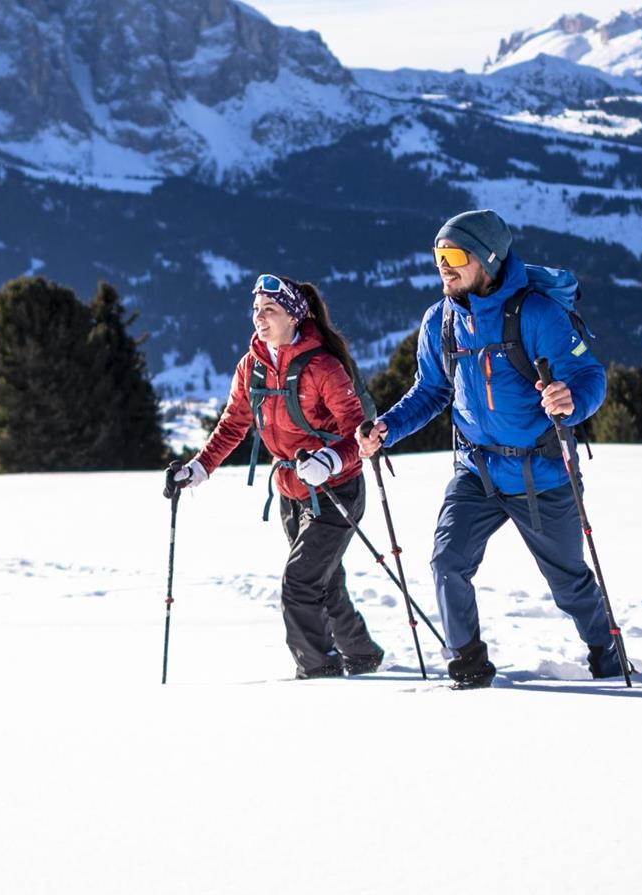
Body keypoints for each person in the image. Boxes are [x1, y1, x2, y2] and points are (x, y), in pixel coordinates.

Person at [357, 209, 617, 689]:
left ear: (487, 260)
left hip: (541, 473)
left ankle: (606, 650)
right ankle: (469, 664)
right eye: (438, 256)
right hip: (475, 471)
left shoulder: (537, 313)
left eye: (455, 256)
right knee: (446, 562)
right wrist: (387, 428)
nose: (444, 266)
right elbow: (432, 391)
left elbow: (589, 376)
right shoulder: (441, 322)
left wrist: (572, 399)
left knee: (569, 582)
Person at [165, 273, 384, 679]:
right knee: (324, 580)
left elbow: (360, 435)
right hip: (290, 491)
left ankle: (318, 671)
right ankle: (362, 653)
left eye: (270, 310)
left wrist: (328, 462)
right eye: (256, 310)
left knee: (299, 583)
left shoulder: (324, 366)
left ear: (294, 317)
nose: (259, 318)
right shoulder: (252, 367)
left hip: (337, 491)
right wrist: (200, 468)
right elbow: (233, 424)